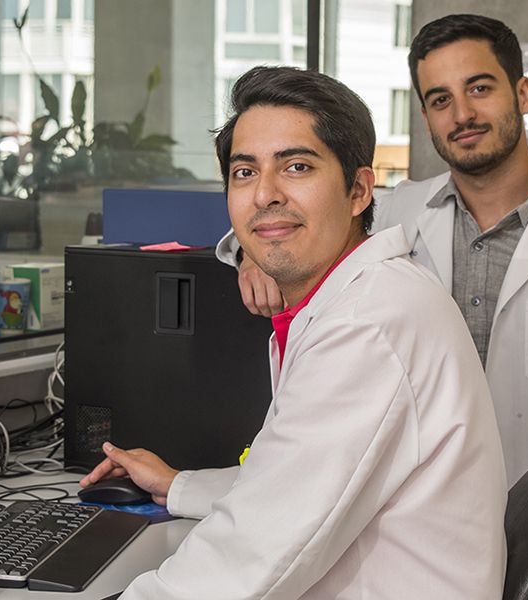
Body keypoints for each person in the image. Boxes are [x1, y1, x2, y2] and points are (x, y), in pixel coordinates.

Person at [82, 66, 506, 599]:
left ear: (358, 190)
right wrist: (178, 485)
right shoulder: (350, 299)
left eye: (297, 166)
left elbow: (253, 557)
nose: (265, 195)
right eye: (244, 172)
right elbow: (288, 482)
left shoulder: (367, 324)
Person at [218, 13, 528, 479]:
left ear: (523, 94)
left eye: (480, 89)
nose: (462, 114)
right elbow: (304, 222)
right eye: (439, 99)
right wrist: (252, 257)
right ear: (426, 117)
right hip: (423, 505)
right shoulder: (397, 214)